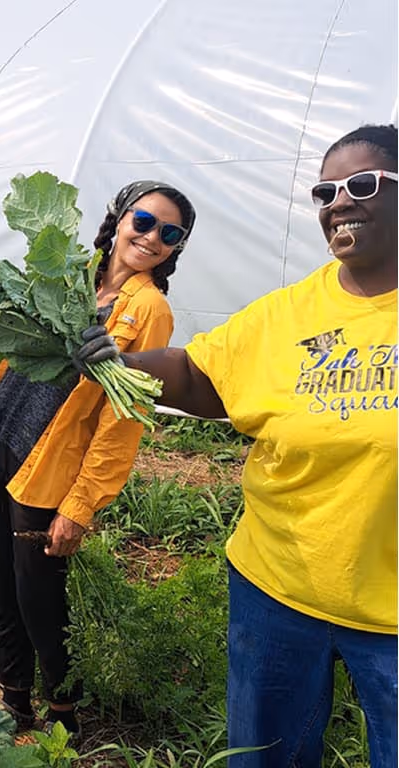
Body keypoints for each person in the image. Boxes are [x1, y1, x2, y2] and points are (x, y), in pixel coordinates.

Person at [76, 124, 397, 766]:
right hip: (275, 589)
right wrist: (124, 357)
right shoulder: (289, 312)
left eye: (361, 185)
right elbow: (202, 375)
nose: (338, 202)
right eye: (324, 191)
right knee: (264, 756)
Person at [0, 179, 197, 733]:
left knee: (39, 602)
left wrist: (82, 504)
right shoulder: (66, 277)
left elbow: (124, 421)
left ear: (175, 247)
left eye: (170, 233)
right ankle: (14, 704)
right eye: (144, 221)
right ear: (118, 218)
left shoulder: (149, 308)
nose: (152, 237)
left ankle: (64, 715)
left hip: (47, 471)